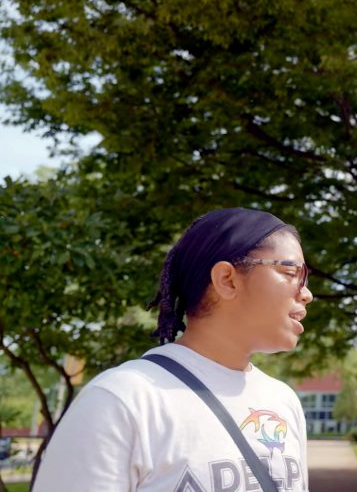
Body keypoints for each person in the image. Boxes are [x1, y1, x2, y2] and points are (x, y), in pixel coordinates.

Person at [34, 207, 314, 491]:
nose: (306, 293)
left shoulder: (282, 400)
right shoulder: (123, 400)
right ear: (227, 279)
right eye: (291, 272)